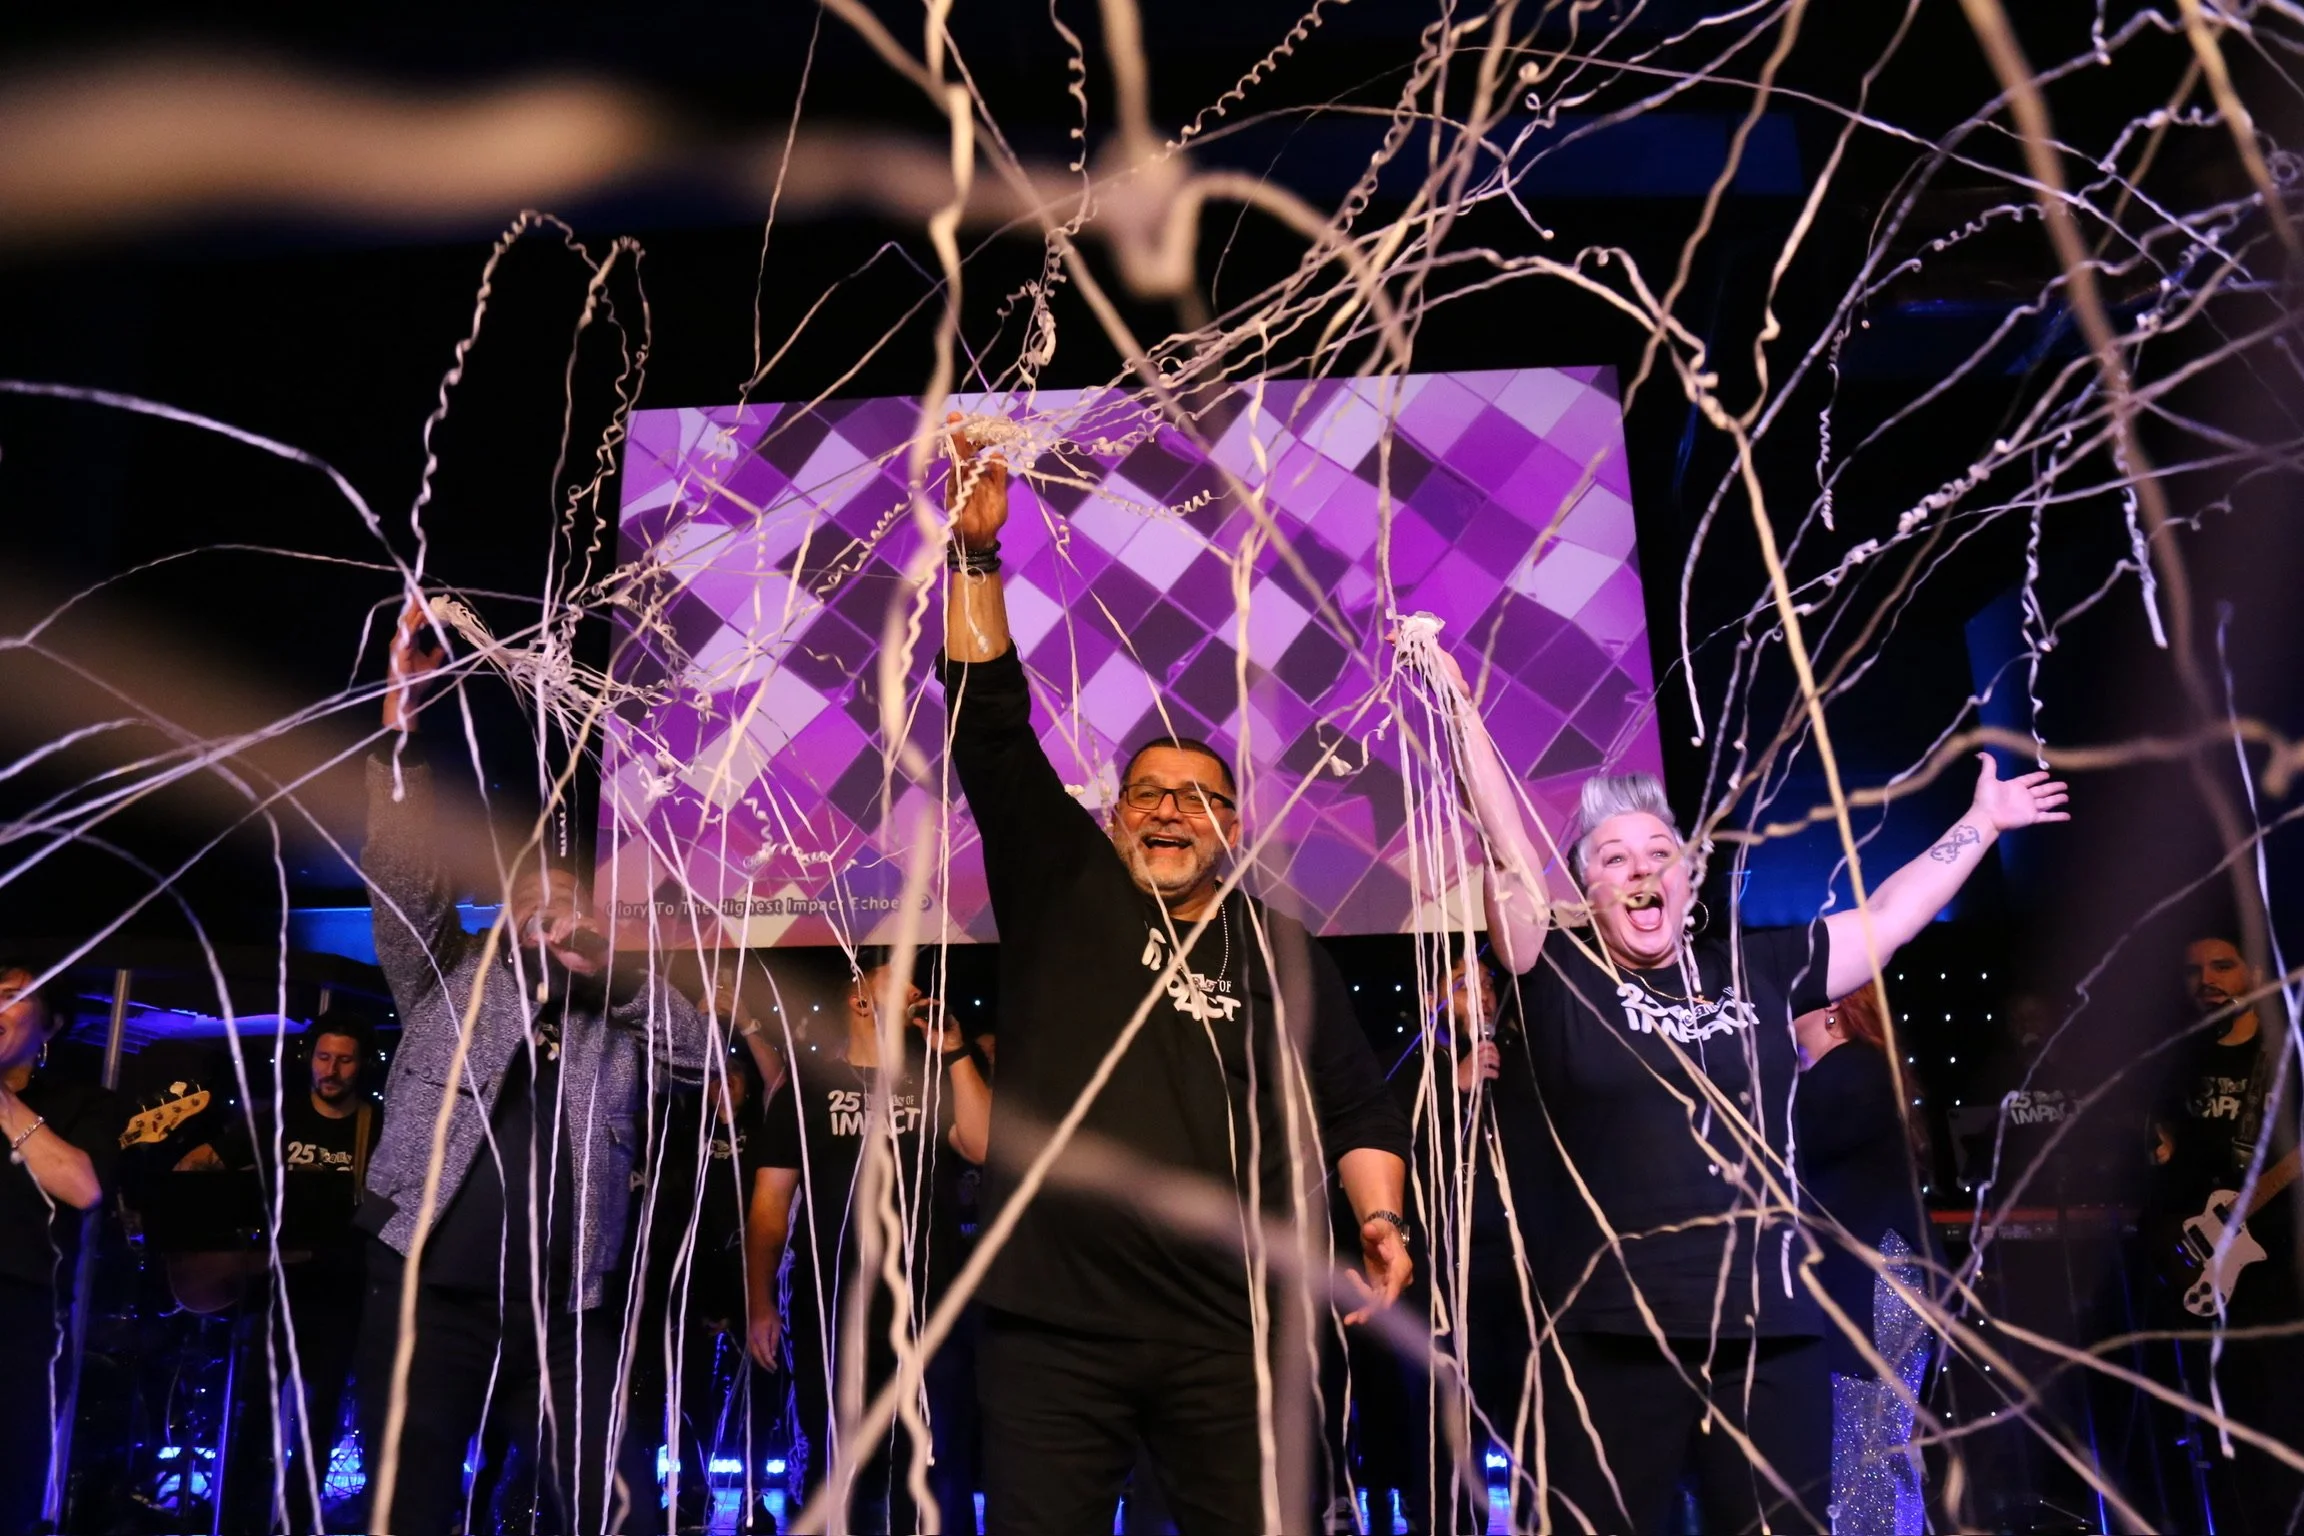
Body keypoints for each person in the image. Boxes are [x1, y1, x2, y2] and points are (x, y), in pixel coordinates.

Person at [1429, 630, 2069, 1534]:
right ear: (1582, 890)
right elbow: (1504, 848)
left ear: (1690, 877)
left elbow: (1886, 921)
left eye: (1659, 852)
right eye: (1611, 858)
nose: (1640, 868)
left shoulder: (1758, 964)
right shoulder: (1558, 970)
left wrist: (1983, 826)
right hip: (1613, 1330)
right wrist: (1460, 710)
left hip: (1772, 1329)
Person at [936, 417, 1415, 1533]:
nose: (1168, 812)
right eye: (1147, 794)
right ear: (1113, 819)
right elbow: (990, 724)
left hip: (1234, 1332)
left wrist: (1383, 1223)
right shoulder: (1065, 887)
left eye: (1197, 799)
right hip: (1054, 1329)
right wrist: (973, 556)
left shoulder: (1279, 945)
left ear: (1234, 828)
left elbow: (1352, 1101)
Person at [355, 599, 716, 1536]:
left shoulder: (619, 1013)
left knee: (614, 1505)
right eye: (536, 898)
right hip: (431, 1289)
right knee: (409, 1496)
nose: (554, 913)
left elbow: (701, 1055)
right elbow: (400, 883)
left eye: (570, 901)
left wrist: (620, 977)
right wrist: (403, 724)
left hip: (566, 1310)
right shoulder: (446, 981)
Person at [747, 949, 990, 1534]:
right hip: (833, 1314)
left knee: (930, 1469)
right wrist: (758, 1301)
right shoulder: (806, 1092)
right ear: (860, 1001)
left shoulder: (933, 1082)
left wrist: (953, 1048)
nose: (912, 990)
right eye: (895, 981)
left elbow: (983, 1148)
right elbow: (770, 1205)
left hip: (925, 1312)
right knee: (837, 1469)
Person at [179, 1015, 382, 1533]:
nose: (331, 1071)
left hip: (338, 1293)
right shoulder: (277, 1118)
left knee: (318, 1419)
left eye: (344, 1059)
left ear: (360, 1065)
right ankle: (239, 1519)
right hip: (270, 1288)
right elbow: (198, 1166)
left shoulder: (373, 1127)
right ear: (309, 1058)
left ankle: (293, 1521)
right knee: (252, 1413)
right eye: (323, 1057)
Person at [2142, 934, 2303, 1534]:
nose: (2206, 980)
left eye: (2223, 966)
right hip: (2202, 1274)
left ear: (2256, 971)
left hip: (2279, 1270)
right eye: (2194, 971)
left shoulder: (2288, 1057)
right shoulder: (2178, 1063)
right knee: (2223, 1436)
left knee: (2282, 1419)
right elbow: (2164, 1163)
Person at [1791, 982, 1936, 1535]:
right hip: (1863, 1285)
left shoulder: (1855, 1072)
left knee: (1865, 1454)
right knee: (1865, 1453)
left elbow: (1780, 1147)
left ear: (1830, 1007)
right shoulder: (1842, 1076)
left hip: (1871, 1288)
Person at [0, 966, 124, 1536]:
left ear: (51, 1024)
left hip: (21, 1319)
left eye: (9, 998)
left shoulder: (82, 1105)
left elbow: (84, 1186)